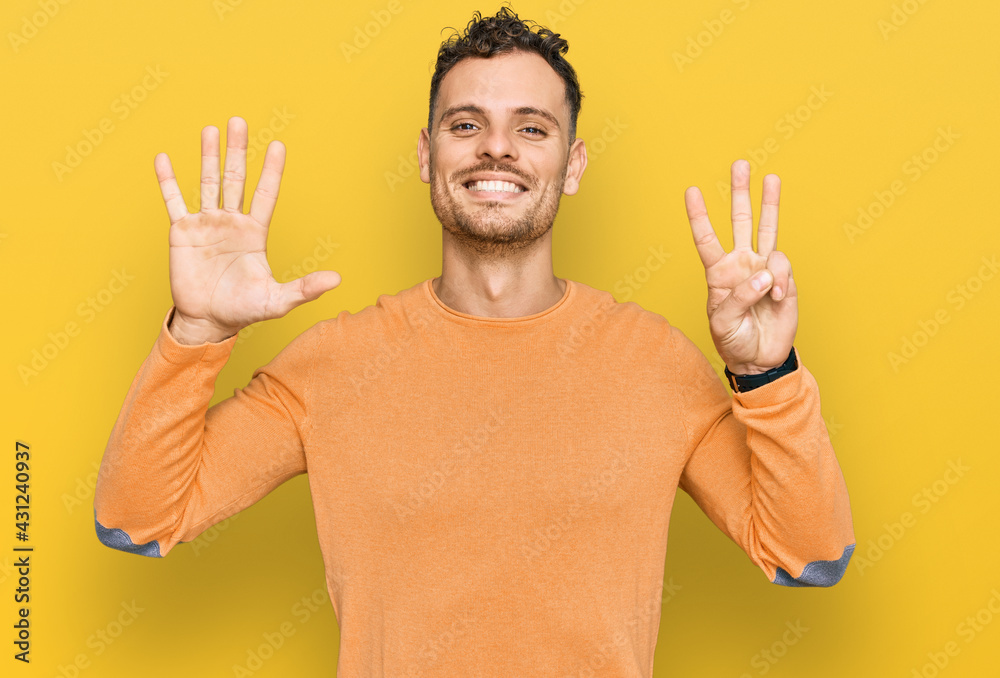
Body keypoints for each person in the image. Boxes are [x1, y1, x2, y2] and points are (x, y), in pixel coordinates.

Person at [94, 5, 855, 676]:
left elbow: (809, 558)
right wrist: (196, 331)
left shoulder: (657, 364)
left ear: (574, 162)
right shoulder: (333, 366)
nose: (499, 150)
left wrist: (766, 373)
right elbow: (139, 521)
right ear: (427, 155)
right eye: (468, 125)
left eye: (532, 127)